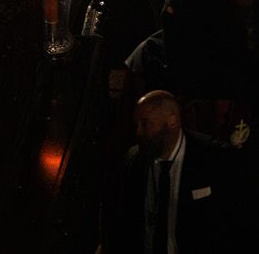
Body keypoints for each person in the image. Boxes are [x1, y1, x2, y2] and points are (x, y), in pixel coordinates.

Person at [103, 89, 248, 251]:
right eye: (136, 125)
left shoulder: (212, 158)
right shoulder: (135, 159)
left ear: (172, 121)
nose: (138, 132)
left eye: (145, 123)